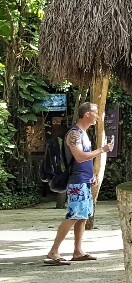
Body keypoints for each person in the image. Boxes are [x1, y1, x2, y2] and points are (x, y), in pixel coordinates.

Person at [44, 102, 113, 266]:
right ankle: (53, 251)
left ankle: (78, 251)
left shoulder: (83, 133)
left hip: (84, 180)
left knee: (82, 216)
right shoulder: (74, 134)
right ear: (87, 114)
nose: (98, 116)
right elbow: (80, 157)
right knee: (74, 215)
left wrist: (92, 175)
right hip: (77, 182)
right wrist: (102, 150)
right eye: (96, 113)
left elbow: (84, 160)